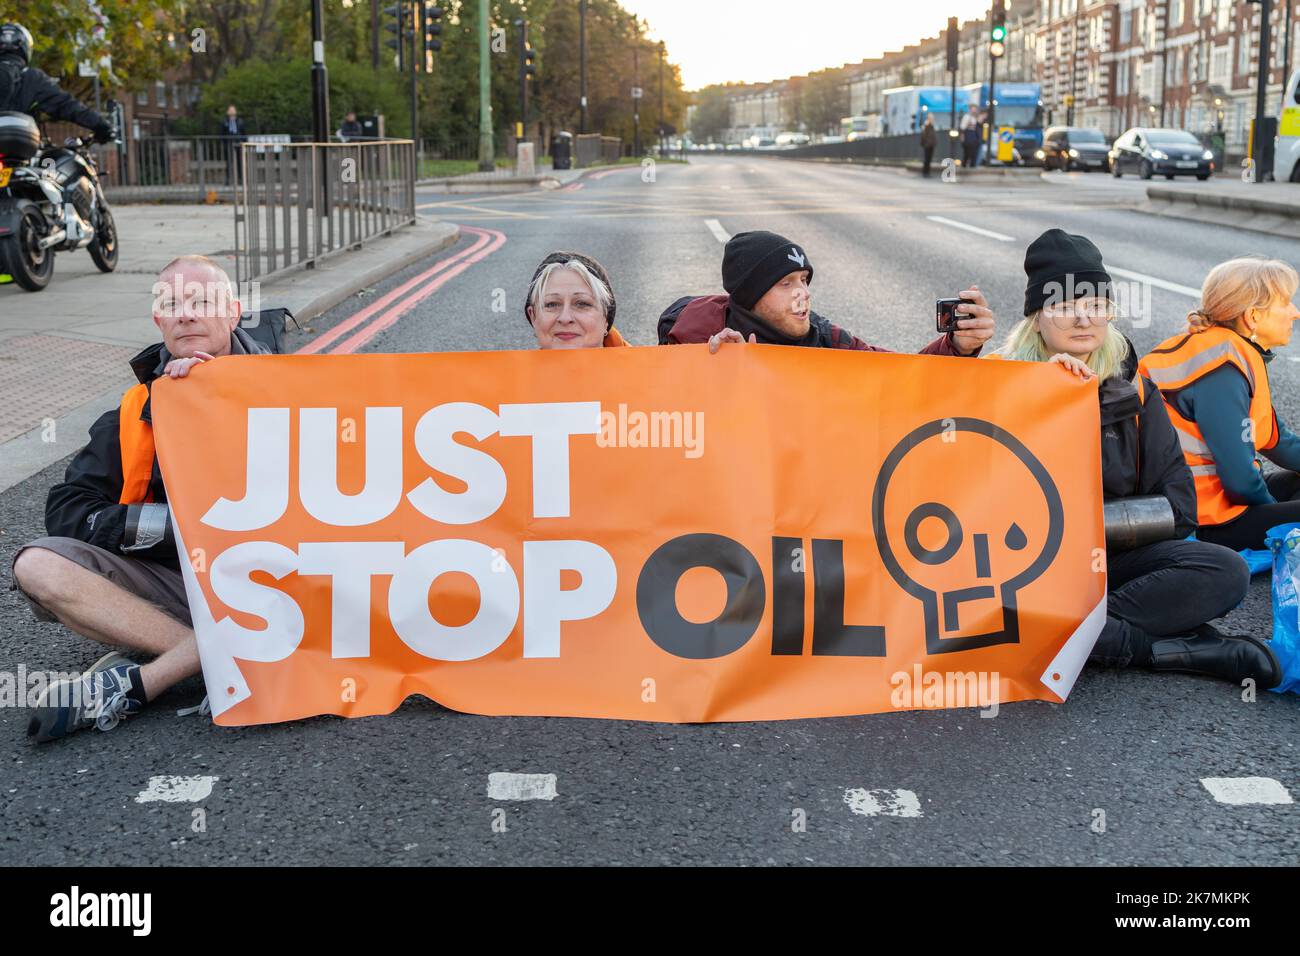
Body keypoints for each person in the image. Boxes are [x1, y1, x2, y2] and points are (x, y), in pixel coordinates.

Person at [989, 230, 1278, 687]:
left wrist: (1096, 403)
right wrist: (1042, 397)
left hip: (1113, 557)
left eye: (1097, 307)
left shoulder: (1135, 388)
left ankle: (1072, 634)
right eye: (1063, 307)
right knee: (991, 612)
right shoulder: (996, 385)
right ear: (1036, 319)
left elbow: (1180, 506)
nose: (1083, 320)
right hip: (1028, 565)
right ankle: (1173, 651)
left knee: (1225, 569)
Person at [11, 255, 272, 743]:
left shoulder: (296, 390)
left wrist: (218, 399)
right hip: (178, 582)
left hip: (276, 587)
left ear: (234, 312)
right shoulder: (135, 409)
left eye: (201, 301)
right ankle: (212, 658)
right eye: (171, 304)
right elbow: (68, 510)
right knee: (36, 565)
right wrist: (171, 528)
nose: (185, 313)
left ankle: (151, 677)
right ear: (159, 320)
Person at [1139, 257, 1300, 553]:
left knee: (1294, 482)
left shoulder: (1224, 351)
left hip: (1201, 499)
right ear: (1252, 316)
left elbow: (1280, 441)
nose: (1295, 313)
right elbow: (1241, 483)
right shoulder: (1222, 368)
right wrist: (1276, 521)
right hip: (1201, 519)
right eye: (1286, 303)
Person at [657, 230, 994, 356]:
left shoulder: (823, 335)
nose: (802, 294)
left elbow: (899, 377)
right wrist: (712, 374)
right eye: (785, 284)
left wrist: (958, 348)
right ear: (749, 297)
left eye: (804, 280)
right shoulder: (696, 338)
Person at [0, 23, 114, 143]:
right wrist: (101, 126)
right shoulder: (34, 77)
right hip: (24, 148)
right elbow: (65, 105)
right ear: (26, 48)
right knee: (54, 161)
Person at [524, 251, 629, 349]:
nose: (565, 318)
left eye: (582, 304)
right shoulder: (512, 369)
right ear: (532, 316)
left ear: (606, 318)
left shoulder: (642, 368)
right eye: (551, 304)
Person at [222, 104, 246, 184]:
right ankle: (228, 180)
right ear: (228, 112)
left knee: (239, 162)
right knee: (229, 163)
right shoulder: (225, 121)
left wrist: (243, 142)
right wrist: (224, 143)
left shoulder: (240, 121)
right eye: (230, 110)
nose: (232, 111)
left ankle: (240, 179)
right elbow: (222, 133)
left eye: (233, 109)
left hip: (238, 143)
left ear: (235, 111)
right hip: (229, 144)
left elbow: (244, 133)